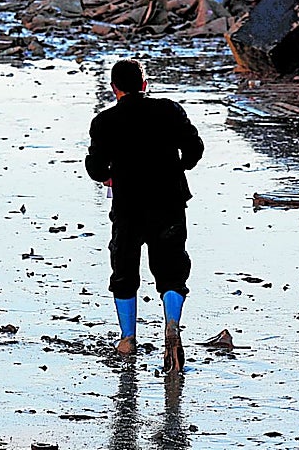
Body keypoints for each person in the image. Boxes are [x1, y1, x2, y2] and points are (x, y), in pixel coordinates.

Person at [85, 58, 203, 373]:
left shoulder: (104, 122)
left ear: (114, 88)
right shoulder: (170, 110)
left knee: (124, 271)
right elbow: (195, 149)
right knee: (172, 270)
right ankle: (172, 324)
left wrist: (109, 176)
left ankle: (127, 339)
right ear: (144, 85)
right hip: (169, 202)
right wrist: (177, 168)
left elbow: (95, 167)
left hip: (128, 206)